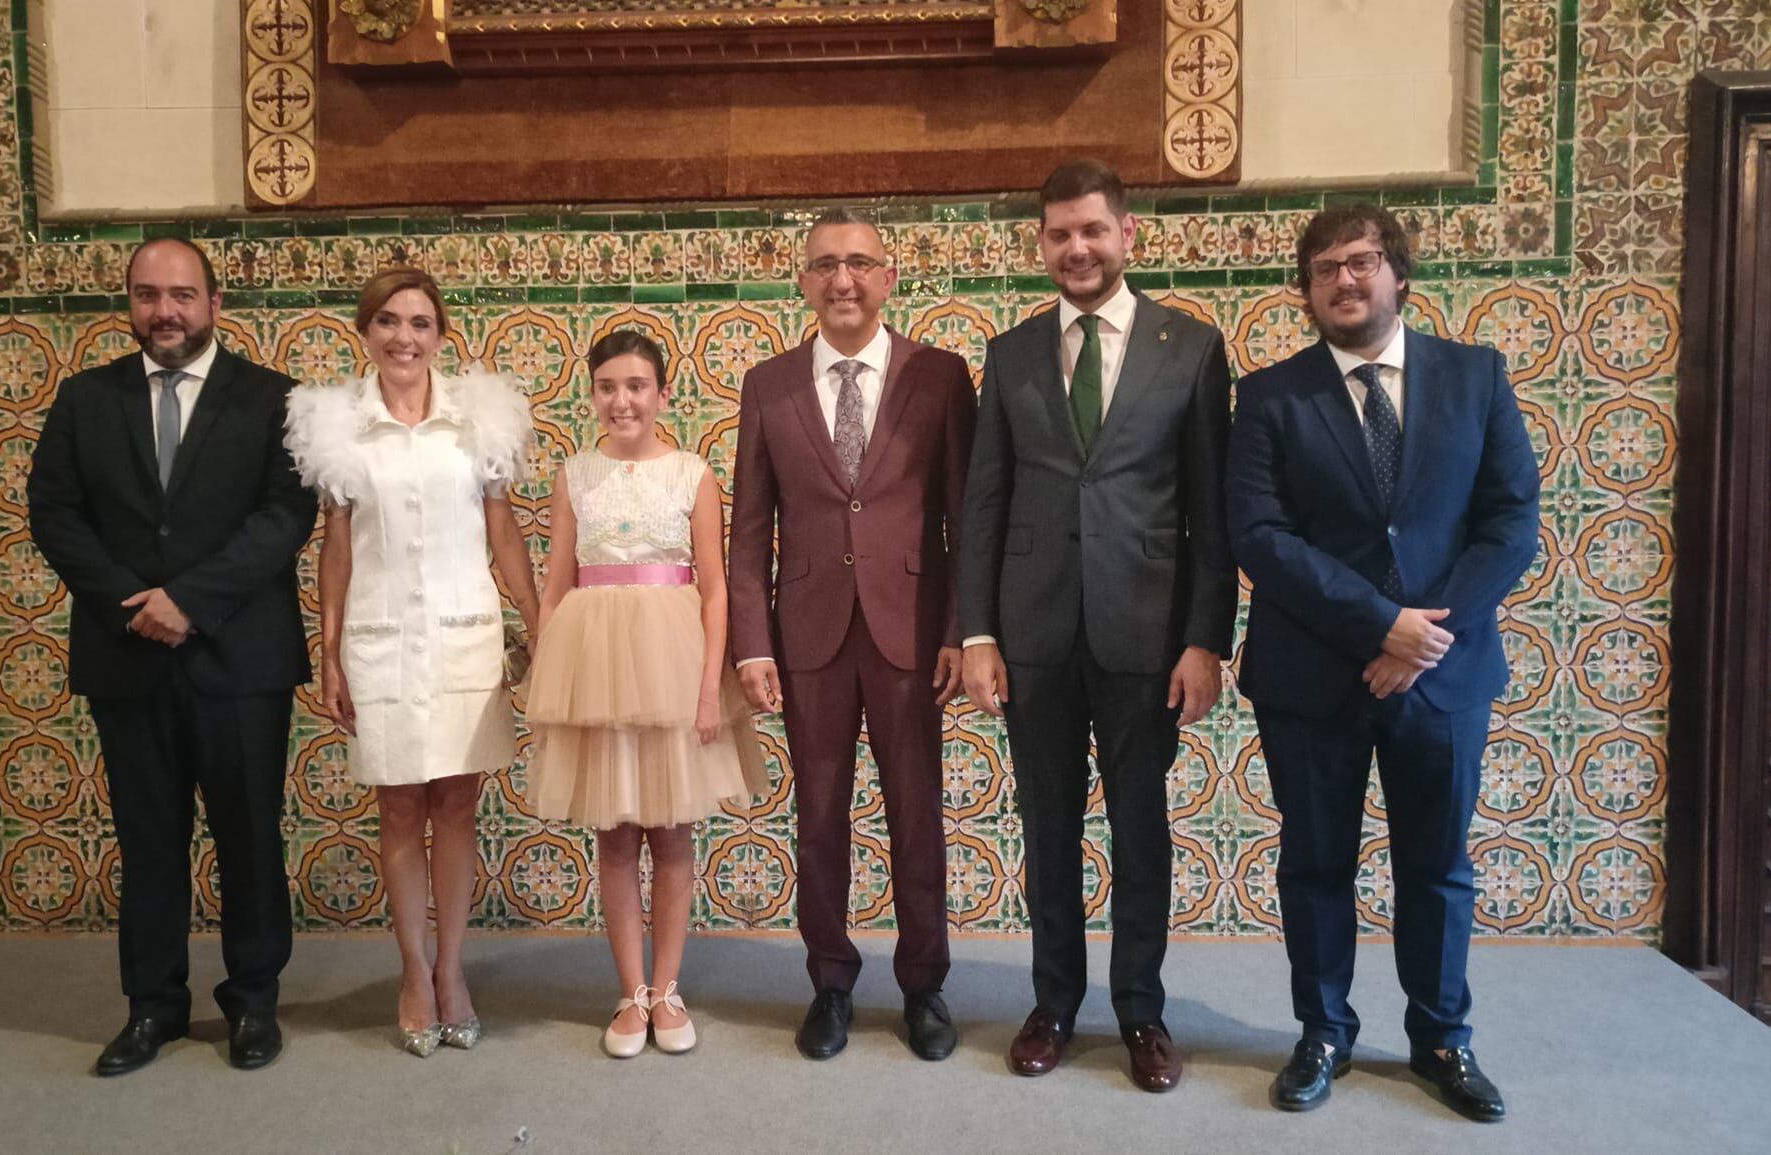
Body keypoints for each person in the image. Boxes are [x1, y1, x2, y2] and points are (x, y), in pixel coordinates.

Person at [1225, 202, 1539, 1121]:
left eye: (1361, 262)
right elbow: (1260, 533)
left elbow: (1510, 519)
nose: (1344, 280)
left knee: (1436, 863)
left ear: (1399, 273)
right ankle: (1323, 1030)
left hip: (1444, 675)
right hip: (1311, 675)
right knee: (1314, 862)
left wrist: (1424, 635)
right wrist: (1378, 627)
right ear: (1306, 290)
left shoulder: (1477, 377)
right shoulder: (1269, 396)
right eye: (1323, 269)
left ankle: (1443, 1036)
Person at [958, 160, 1237, 1093]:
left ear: (1128, 235)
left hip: (1145, 635)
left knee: (1140, 829)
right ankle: (1053, 1002)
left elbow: (1210, 511)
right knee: (1047, 828)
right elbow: (984, 502)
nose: (1076, 248)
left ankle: (1141, 1010)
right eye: (1058, 234)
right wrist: (978, 632)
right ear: (1041, 245)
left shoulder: (1189, 347)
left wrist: (1206, 639)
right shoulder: (1009, 353)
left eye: (1092, 230)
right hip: (1034, 634)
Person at [27, 237, 318, 1075]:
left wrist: (190, 600)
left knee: (249, 836)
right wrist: (133, 602)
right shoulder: (85, 400)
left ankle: (253, 1002)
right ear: (129, 303)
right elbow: (55, 512)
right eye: (150, 294)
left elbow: (284, 516)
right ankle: (152, 1007)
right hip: (128, 659)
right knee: (149, 837)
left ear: (215, 304)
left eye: (183, 295)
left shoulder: (274, 400)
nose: (166, 311)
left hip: (242, 658)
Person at [728, 209, 978, 1061]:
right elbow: (750, 529)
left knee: (917, 815)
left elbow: (963, 520)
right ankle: (830, 980)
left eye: (860, 263)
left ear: (890, 277)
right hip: (809, 636)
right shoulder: (768, 385)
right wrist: (751, 642)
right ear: (802, 280)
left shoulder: (941, 377)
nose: (843, 279)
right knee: (819, 813)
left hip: (912, 634)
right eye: (826, 264)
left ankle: (925, 983)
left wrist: (958, 628)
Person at [282, 266, 540, 1058]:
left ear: (441, 335)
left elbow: (502, 534)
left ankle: (453, 971)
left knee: (457, 805)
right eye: (388, 321)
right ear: (366, 331)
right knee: (399, 809)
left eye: (420, 323)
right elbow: (335, 551)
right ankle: (412, 970)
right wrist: (328, 653)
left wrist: (541, 622)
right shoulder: (335, 424)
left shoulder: (480, 419)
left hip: (465, 633)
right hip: (379, 638)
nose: (404, 336)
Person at [523, 330, 768, 1058]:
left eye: (636, 385)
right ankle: (630, 991)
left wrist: (706, 691)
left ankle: (668, 986)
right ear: (592, 394)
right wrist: (549, 682)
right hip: (595, 664)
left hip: (673, 658)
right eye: (607, 385)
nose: (621, 399)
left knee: (672, 832)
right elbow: (557, 585)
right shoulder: (576, 474)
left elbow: (717, 588)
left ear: (663, 394)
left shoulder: (692, 473)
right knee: (614, 830)